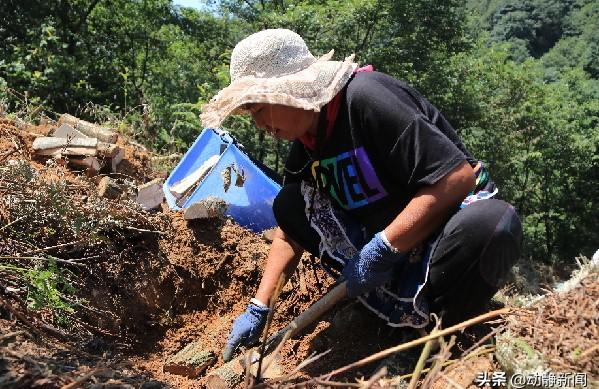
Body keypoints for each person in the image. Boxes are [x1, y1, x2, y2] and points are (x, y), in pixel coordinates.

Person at [200, 29, 522, 362]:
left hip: (440, 225)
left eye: (258, 109)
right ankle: (384, 301)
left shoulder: (366, 98)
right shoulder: (307, 138)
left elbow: (457, 178)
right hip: (389, 242)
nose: (258, 123)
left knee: (495, 224)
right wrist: (259, 306)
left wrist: (383, 249)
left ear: (286, 91)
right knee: (289, 202)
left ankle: (429, 337)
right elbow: (290, 231)